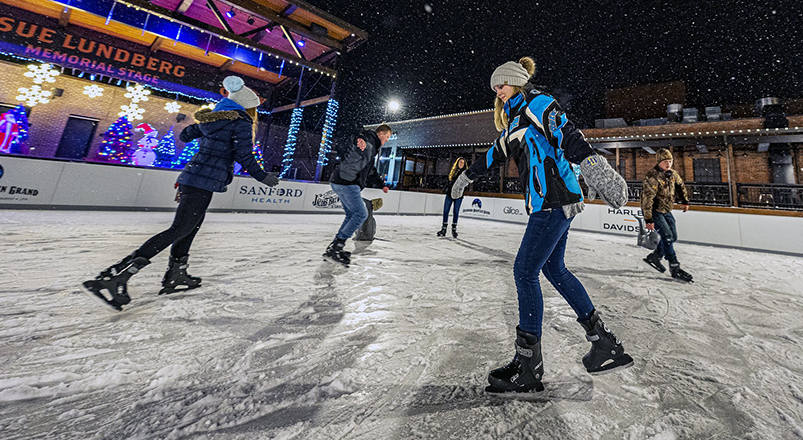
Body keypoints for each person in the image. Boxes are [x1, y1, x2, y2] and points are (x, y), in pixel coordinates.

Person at [451, 57, 634, 393]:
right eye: (495, 89)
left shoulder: (539, 103)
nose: (499, 92)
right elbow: (492, 156)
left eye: (502, 85)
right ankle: (604, 343)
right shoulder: (513, 124)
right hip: (550, 202)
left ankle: (528, 365)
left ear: (517, 81)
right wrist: (465, 176)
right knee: (555, 270)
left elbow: (567, 135)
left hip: (554, 201)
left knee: (524, 271)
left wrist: (595, 166)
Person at [83, 76, 280, 310]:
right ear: (248, 107)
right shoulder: (241, 122)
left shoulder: (214, 118)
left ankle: (176, 274)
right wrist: (263, 177)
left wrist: (209, 133)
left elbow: (186, 135)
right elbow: (244, 155)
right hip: (203, 181)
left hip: (193, 178)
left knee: (190, 226)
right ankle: (115, 276)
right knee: (181, 228)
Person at [323, 125, 391, 266]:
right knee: (361, 214)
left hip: (339, 180)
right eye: (387, 137)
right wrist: (359, 140)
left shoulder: (372, 150)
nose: (387, 140)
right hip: (347, 181)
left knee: (351, 215)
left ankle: (335, 246)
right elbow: (358, 136)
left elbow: (370, 169)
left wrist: (381, 184)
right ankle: (336, 247)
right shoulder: (370, 140)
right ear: (381, 133)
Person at [641, 148, 693, 282]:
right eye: (665, 161)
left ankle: (656, 256)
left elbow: (680, 186)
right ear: (659, 162)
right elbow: (647, 199)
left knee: (673, 236)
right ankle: (674, 267)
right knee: (667, 237)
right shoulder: (652, 176)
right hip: (655, 211)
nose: (668, 163)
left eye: (670, 161)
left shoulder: (673, 174)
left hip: (667, 210)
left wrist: (685, 201)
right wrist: (648, 218)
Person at [437, 157, 468, 238]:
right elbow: (449, 181)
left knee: (456, 212)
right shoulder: (453, 171)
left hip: (458, 195)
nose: (461, 164)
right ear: (457, 163)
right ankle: (443, 229)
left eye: (463, 163)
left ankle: (454, 230)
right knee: (446, 211)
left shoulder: (464, 174)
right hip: (449, 194)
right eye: (460, 162)